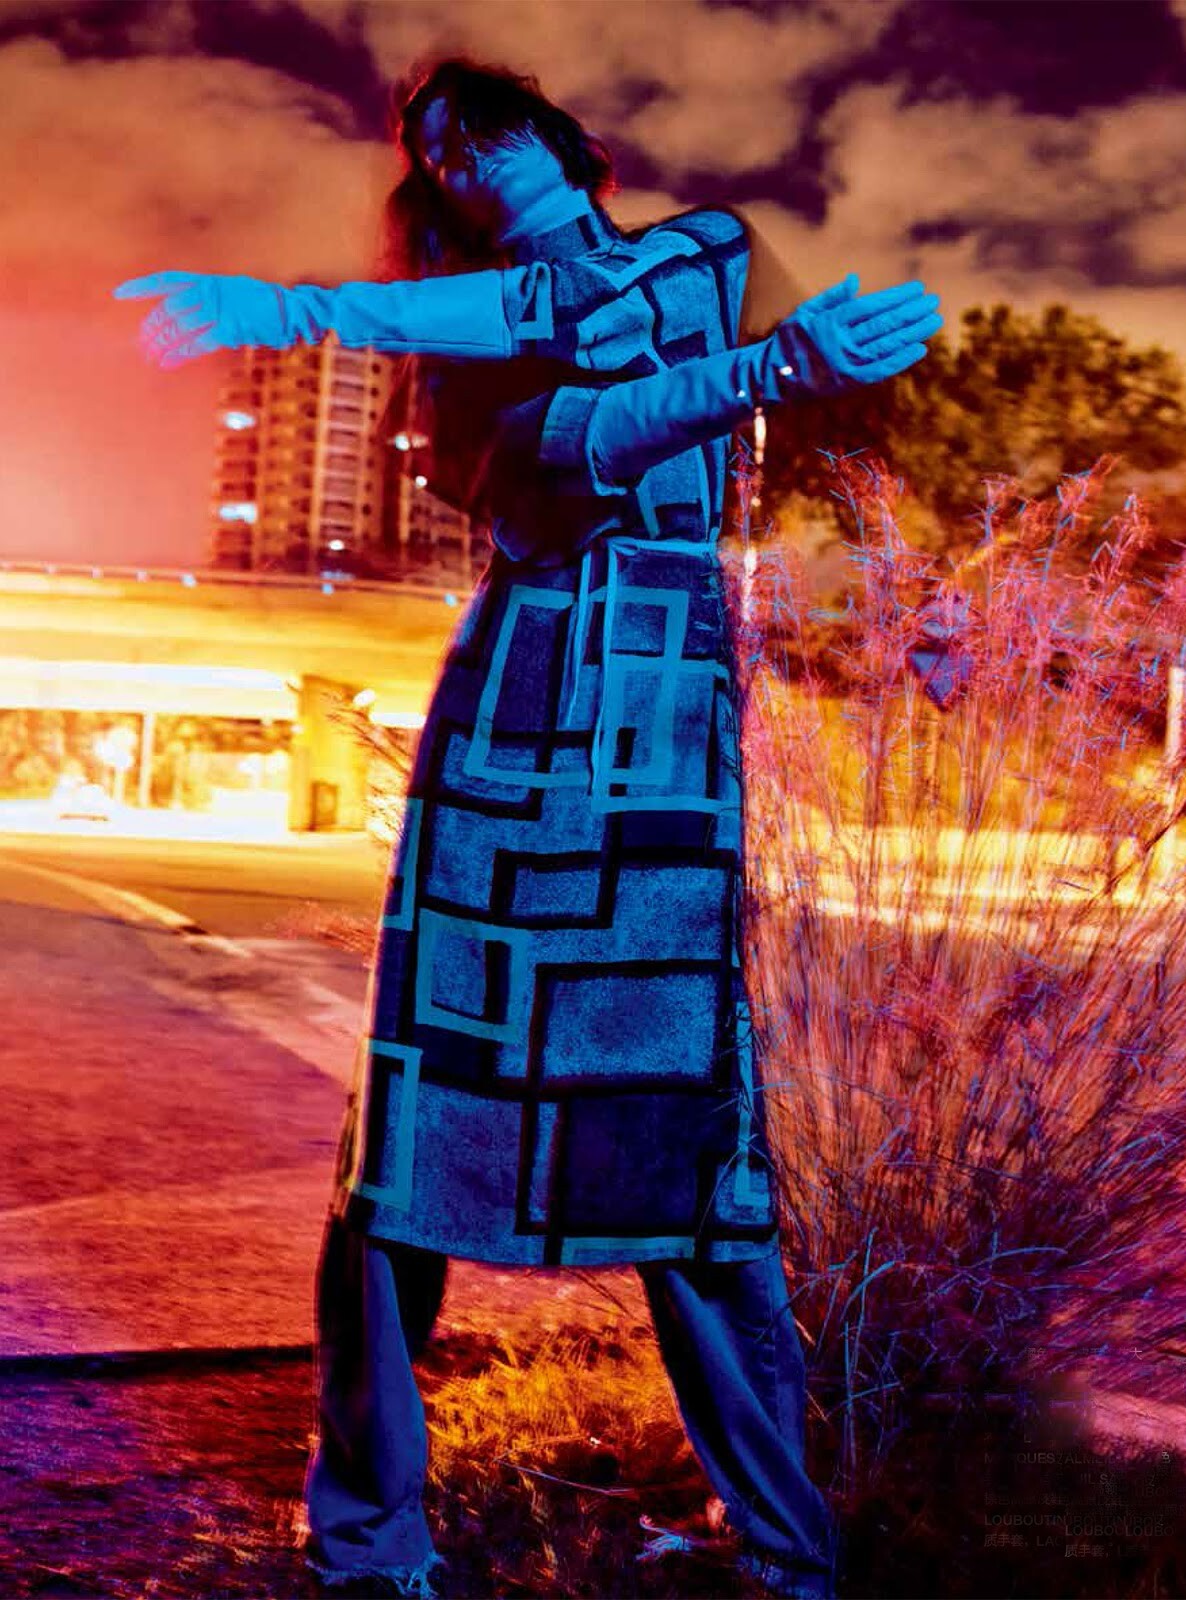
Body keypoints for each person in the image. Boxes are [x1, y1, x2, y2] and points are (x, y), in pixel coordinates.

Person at [114, 55, 941, 1600]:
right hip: (520, 718)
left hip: (667, 725)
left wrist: (900, 554)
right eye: (438, 152)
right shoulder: (467, 357)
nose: (466, 157)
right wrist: (295, 311)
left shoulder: (704, 250)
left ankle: (781, 1547)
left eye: (483, 129)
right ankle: (369, 1540)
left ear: (559, 139)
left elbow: (787, 412)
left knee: (695, 1137)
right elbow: (581, 429)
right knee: (411, 1144)